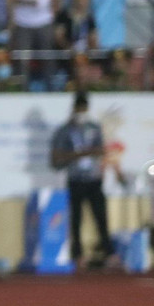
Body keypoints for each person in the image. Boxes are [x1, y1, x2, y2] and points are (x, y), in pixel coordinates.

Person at [50, 92, 114, 269]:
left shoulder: (94, 127)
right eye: (79, 109)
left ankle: (108, 252)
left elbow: (101, 150)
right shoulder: (65, 130)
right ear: (74, 109)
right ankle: (77, 254)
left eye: (84, 108)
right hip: (76, 180)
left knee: (101, 217)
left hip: (93, 179)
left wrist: (95, 153)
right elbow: (55, 158)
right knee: (76, 219)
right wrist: (81, 153)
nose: (82, 112)